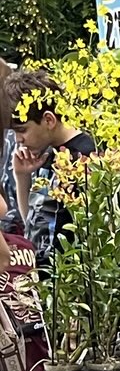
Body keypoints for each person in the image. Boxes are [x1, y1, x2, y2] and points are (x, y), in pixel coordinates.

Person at [0, 71, 96, 271]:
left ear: (49, 120)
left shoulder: (84, 158)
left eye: (22, 130)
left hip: (70, 276)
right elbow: (33, 224)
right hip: (46, 275)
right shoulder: (47, 154)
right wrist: (22, 177)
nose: (18, 140)